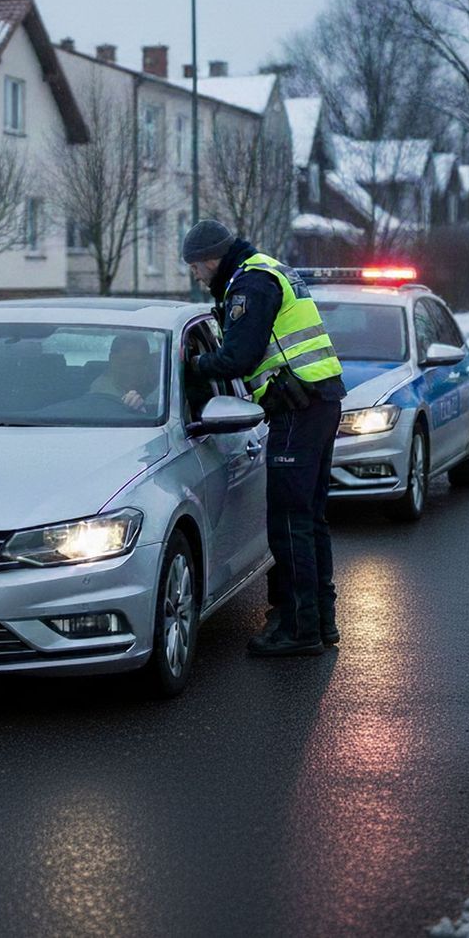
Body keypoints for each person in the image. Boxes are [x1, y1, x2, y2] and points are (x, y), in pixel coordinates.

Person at [182, 219, 346, 657]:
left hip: (298, 407)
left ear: (211, 259)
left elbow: (239, 357)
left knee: (290, 522)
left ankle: (299, 629)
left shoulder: (250, 284)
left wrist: (192, 366)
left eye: (195, 267)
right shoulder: (266, 270)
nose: (196, 276)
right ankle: (320, 621)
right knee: (309, 519)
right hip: (317, 403)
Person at [90, 333, 155, 411]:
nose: (133, 368)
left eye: (139, 362)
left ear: (147, 361)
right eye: (126, 361)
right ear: (112, 359)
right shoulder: (102, 390)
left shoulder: (159, 378)